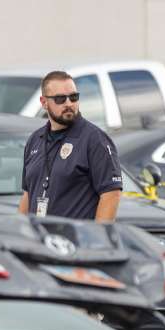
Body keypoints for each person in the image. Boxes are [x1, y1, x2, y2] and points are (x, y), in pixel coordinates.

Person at [18, 70, 122, 222]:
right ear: (44, 102)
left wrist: (97, 239)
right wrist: (19, 232)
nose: (68, 104)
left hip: (76, 242)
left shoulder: (94, 139)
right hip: (39, 241)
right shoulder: (35, 140)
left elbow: (111, 194)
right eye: (60, 99)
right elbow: (28, 194)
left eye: (73, 97)